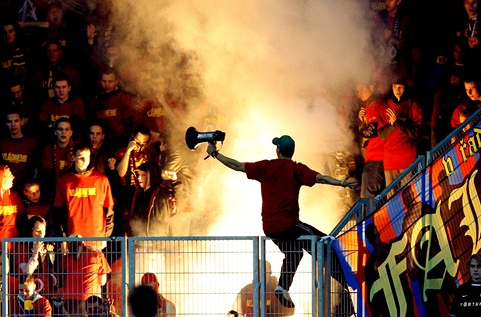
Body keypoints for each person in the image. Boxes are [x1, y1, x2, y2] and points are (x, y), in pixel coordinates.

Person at [206, 135, 358, 308]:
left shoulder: (266, 166)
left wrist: (215, 154)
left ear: (278, 150)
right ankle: (350, 283)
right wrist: (342, 183)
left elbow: (238, 166)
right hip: (288, 225)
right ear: (291, 152)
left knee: (295, 252)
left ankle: (282, 287)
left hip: (270, 228)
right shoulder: (296, 169)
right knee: (325, 243)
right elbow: (321, 178)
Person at [53, 144, 114, 249]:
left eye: (88, 157)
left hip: (97, 238)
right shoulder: (64, 181)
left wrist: (106, 235)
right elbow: (59, 213)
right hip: (73, 237)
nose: (85, 160)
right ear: (73, 158)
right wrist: (63, 237)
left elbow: (109, 210)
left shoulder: (102, 180)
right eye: (81, 157)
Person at [378, 76, 422, 185]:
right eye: (395, 87)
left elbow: (416, 132)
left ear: (405, 88)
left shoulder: (412, 105)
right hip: (390, 162)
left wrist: (397, 122)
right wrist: (394, 123)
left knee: (410, 197)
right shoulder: (385, 106)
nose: (397, 90)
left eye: (400, 87)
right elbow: (381, 134)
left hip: (407, 160)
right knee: (392, 199)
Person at [0, 109, 39, 189]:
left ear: (22, 122)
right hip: (5, 188)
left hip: (26, 188)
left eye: (16, 121)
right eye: (9, 122)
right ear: (6, 123)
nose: (13, 124)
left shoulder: (32, 143)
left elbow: (36, 169)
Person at [356, 82, 387, 200]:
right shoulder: (371, 105)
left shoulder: (375, 105)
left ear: (371, 87)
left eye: (360, 88)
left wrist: (360, 128)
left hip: (376, 158)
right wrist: (363, 120)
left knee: (368, 197)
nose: (358, 93)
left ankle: (370, 218)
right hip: (376, 157)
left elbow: (372, 131)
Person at [129, 162, 176, 237]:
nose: (139, 178)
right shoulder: (137, 194)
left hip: (157, 239)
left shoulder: (161, 194)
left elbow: (175, 207)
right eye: (138, 175)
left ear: (151, 176)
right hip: (139, 239)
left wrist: (175, 182)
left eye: (143, 175)